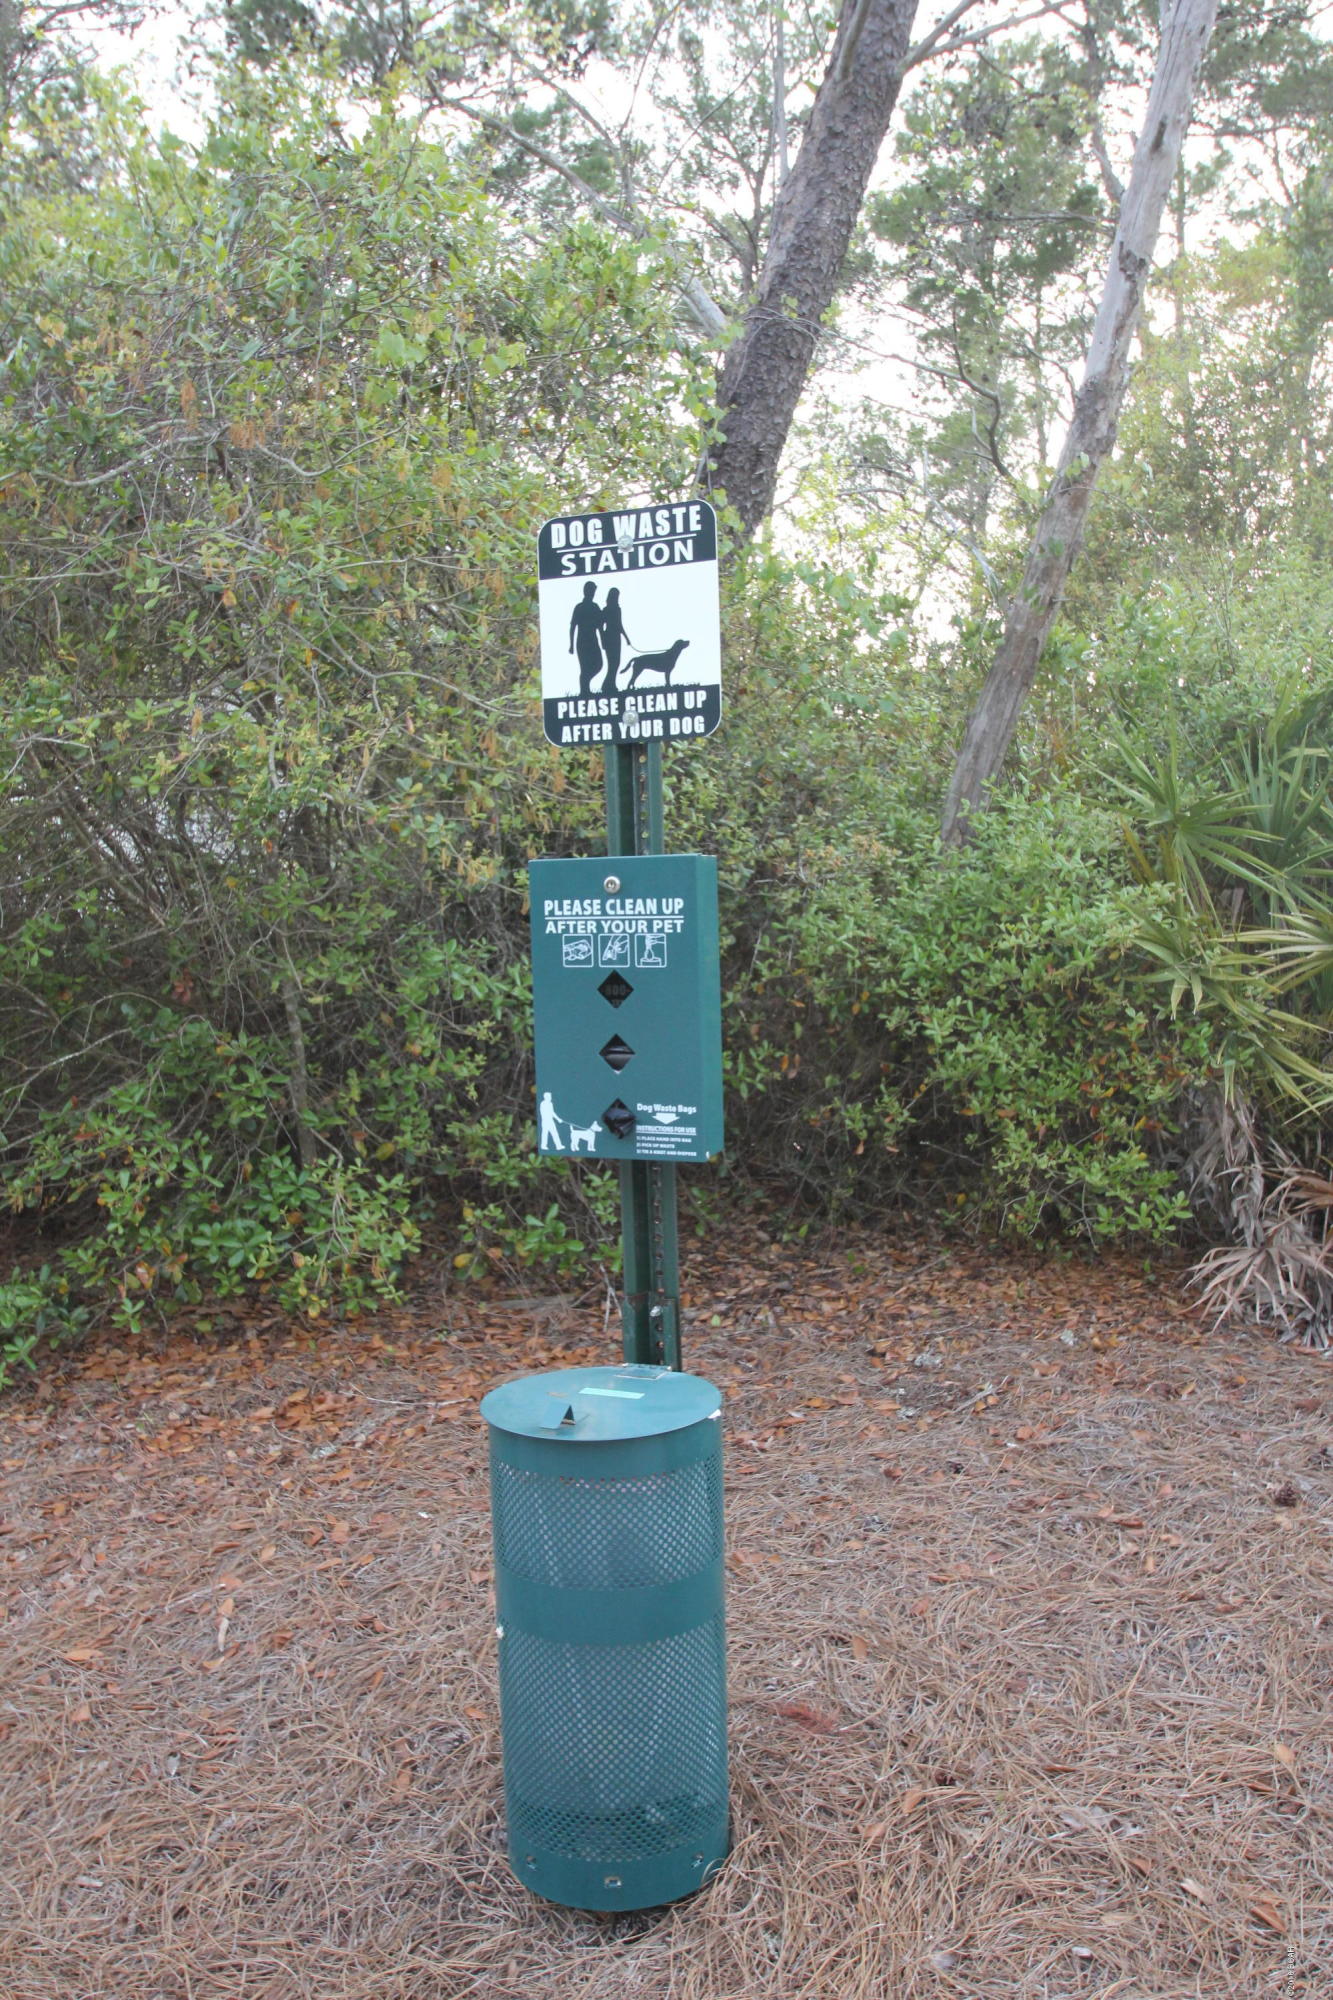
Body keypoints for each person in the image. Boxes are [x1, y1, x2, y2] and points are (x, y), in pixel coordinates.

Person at [568, 583, 604, 696]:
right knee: (585, 667)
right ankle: (584, 691)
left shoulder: (595, 607)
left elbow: (600, 626)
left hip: (593, 640)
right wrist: (571, 645)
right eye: (592, 591)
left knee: (598, 664)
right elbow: (573, 626)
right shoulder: (579, 607)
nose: (593, 593)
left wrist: (603, 641)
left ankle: (585, 689)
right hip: (582, 641)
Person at [598, 587, 634, 694]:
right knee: (612, 663)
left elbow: (619, 625)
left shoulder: (617, 609)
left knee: (616, 663)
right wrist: (603, 639)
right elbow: (600, 626)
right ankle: (607, 685)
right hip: (609, 637)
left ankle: (611, 684)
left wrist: (626, 638)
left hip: (616, 638)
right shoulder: (606, 610)